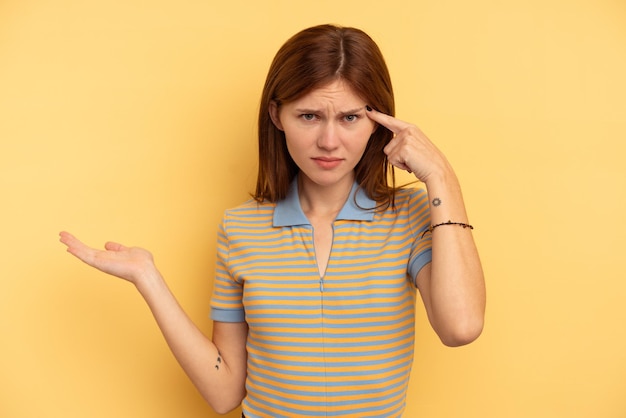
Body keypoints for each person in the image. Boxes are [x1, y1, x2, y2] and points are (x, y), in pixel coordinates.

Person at [59, 24, 485, 418]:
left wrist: (440, 175)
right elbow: (225, 393)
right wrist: (147, 277)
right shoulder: (239, 229)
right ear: (276, 115)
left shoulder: (411, 215)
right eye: (309, 116)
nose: (329, 140)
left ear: (378, 124)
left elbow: (461, 327)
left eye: (350, 117)